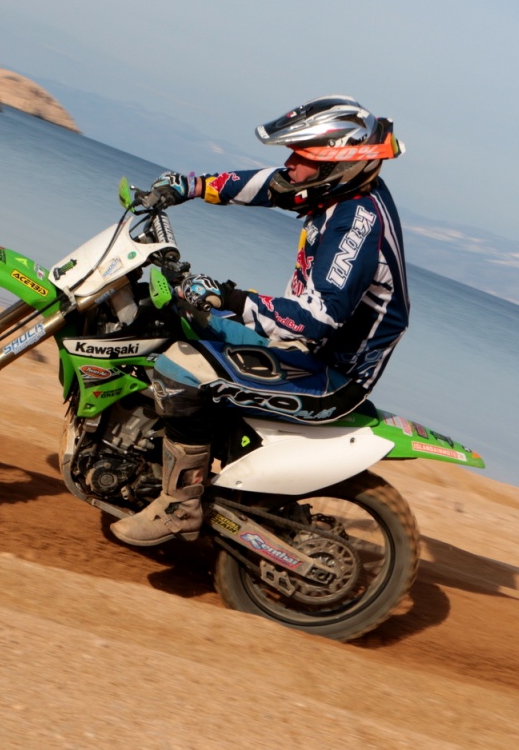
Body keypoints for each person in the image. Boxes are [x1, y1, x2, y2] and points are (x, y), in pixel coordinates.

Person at [111, 95, 411, 547]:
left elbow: (316, 319)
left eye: (302, 156)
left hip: (329, 372)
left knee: (179, 371)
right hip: (301, 347)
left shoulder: (357, 224)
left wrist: (226, 295)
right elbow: (268, 185)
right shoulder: (339, 190)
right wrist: (188, 186)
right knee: (171, 317)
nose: (290, 164)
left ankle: (181, 507)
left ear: (337, 166)